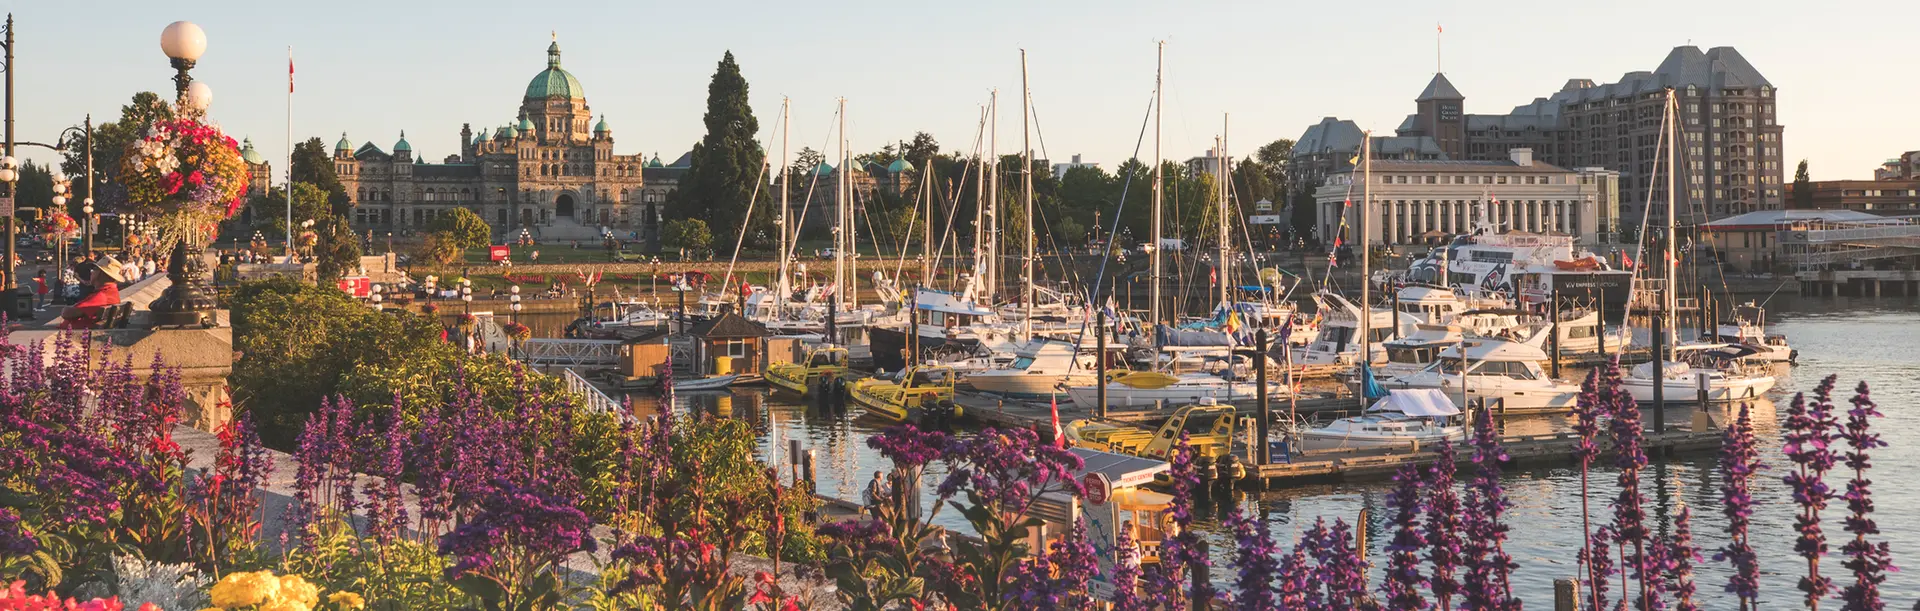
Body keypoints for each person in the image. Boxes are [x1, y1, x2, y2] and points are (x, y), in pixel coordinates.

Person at [60, 256, 126, 330]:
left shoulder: (102, 296)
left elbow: (67, 313)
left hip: (78, 333)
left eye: (94, 269)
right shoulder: (111, 292)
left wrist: (67, 308)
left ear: (102, 274)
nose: (91, 271)